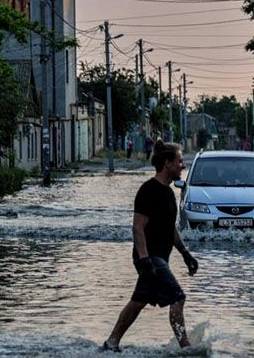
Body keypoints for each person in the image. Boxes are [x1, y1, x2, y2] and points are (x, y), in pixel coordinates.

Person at [101, 140, 199, 352]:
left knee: (139, 300)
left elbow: (170, 228)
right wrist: (145, 260)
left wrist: (185, 254)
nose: (182, 166)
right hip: (150, 257)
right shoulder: (148, 190)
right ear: (167, 163)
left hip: (159, 258)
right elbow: (138, 228)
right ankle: (186, 348)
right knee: (178, 296)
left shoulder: (168, 193)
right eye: (179, 161)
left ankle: (111, 342)